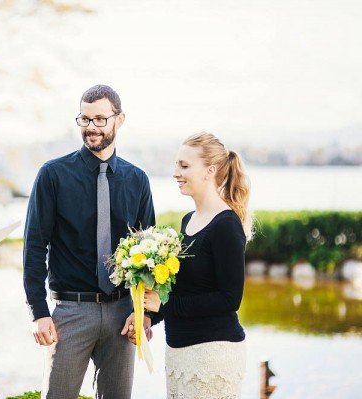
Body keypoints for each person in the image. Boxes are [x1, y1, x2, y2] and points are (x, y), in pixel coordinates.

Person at [23, 84, 156, 399]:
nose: (91, 128)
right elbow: (34, 248)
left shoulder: (137, 180)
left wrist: (147, 313)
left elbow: (151, 256)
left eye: (99, 119)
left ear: (119, 120)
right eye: (84, 120)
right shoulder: (53, 175)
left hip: (124, 312)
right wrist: (38, 311)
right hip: (70, 311)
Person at [142, 132, 252, 398]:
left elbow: (229, 299)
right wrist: (149, 317)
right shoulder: (188, 220)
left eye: (184, 166)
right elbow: (183, 291)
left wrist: (164, 305)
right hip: (179, 354)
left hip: (212, 355)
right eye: (176, 165)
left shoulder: (226, 225)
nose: (176, 172)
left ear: (209, 171)